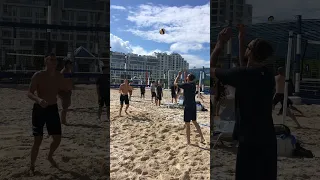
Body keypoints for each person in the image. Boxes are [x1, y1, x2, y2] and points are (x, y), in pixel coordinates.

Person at [211, 27, 277, 180]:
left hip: (249, 139)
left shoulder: (241, 75)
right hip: (268, 138)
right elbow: (245, 69)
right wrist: (241, 41)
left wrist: (220, 44)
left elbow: (211, 68)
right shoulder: (267, 75)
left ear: (251, 52)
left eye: (248, 46)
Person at [27, 53, 67, 175]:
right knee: (38, 140)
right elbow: (29, 93)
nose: (54, 62)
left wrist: (64, 96)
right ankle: (32, 165)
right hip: (39, 108)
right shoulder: (38, 75)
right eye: (51, 60)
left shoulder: (59, 76)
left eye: (55, 60)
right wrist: (39, 100)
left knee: (57, 139)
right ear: (46, 62)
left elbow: (61, 90)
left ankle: (49, 156)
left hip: (52, 108)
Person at [174, 72, 205, 145]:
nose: (186, 77)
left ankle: (188, 142)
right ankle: (202, 137)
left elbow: (175, 83)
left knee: (187, 124)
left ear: (188, 78)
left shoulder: (186, 85)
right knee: (194, 121)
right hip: (193, 105)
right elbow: (186, 93)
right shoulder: (193, 85)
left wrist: (178, 75)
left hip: (188, 106)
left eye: (187, 76)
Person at [58, 59, 73, 125]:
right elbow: (61, 82)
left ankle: (63, 120)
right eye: (69, 64)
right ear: (66, 64)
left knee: (67, 105)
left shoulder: (68, 71)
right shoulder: (63, 71)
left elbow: (69, 80)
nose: (70, 65)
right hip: (63, 91)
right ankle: (63, 121)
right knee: (65, 107)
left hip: (68, 90)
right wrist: (64, 89)